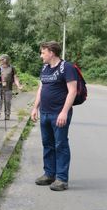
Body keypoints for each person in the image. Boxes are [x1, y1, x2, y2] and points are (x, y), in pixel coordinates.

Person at [30, 41, 77, 192]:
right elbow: (41, 88)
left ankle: (62, 178)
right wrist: (35, 107)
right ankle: (49, 174)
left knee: (60, 144)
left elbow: (72, 91)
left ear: (51, 52)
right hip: (45, 112)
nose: (41, 56)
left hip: (59, 113)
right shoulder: (45, 68)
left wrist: (64, 112)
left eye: (43, 52)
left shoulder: (67, 68)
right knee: (47, 144)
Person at [0, 54, 23, 120]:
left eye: (2, 59)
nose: (1, 60)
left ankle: (7, 114)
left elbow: (15, 77)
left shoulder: (11, 68)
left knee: (7, 101)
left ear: (6, 60)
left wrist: (18, 85)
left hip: (8, 87)